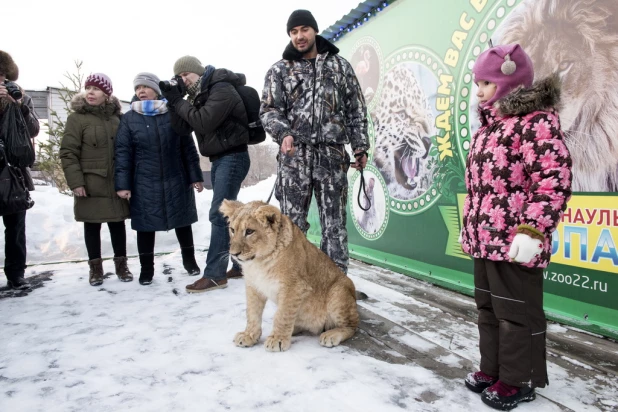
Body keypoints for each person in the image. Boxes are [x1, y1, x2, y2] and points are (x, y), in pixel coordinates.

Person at [460, 44, 572, 411]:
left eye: (486, 83)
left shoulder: (534, 124)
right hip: (486, 241)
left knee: (515, 313)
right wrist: (471, 231)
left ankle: (518, 379)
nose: (478, 90)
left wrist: (533, 231)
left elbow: (552, 181)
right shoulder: (487, 129)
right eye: (477, 82)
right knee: (488, 309)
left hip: (515, 242)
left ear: (509, 83)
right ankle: (494, 369)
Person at [259, 9, 369, 274]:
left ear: (315, 30)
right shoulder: (279, 70)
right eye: (294, 32)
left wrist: (360, 145)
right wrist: (284, 132)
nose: (299, 36)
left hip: (331, 157)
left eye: (304, 29)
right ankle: (293, 285)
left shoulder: (340, 66)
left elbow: (355, 108)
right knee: (292, 227)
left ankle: (335, 286)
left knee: (334, 225)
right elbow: (268, 110)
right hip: (294, 158)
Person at [162, 56, 250, 293]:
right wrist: (173, 101)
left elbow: (203, 122)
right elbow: (181, 128)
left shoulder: (221, 87)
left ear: (197, 72)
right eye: (178, 77)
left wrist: (179, 100)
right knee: (230, 216)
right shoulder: (198, 95)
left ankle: (214, 275)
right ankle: (241, 265)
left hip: (233, 157)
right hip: (221, 159)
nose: (182, 80)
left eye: (185, 76)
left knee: (218, 214)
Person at [115, 72, 204, 286]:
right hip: (144, 181)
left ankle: (190, 262)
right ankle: (147, 270)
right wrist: (123, 184)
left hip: (176, 177)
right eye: (138, 88)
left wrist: (195, 176)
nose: (141, 91)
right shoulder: (128, 118)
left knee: (183, 221)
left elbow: (188, 148)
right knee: (145, 226)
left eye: (145, 87)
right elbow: (123, 152)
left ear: (156, 89)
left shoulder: (173, 112)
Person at [60, 73, 131, 287]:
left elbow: (126, 151)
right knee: (92, 226)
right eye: (88, 88)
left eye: (96, 89)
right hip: (90, 183)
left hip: (115, 183)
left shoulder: (117, 118)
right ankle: (96, 270)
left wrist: (126, 181)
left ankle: (122, 266)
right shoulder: (77, 118)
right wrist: (76, 182)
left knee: (117, 224)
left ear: (107, 94)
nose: (91, 92)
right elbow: (68, 152)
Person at [0, 50, 39, 290]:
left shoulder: (20, 96)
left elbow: (34, 129)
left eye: (2, 74)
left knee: (15, 226)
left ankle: (16, 274)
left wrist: (18, 106)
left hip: (13, 171)